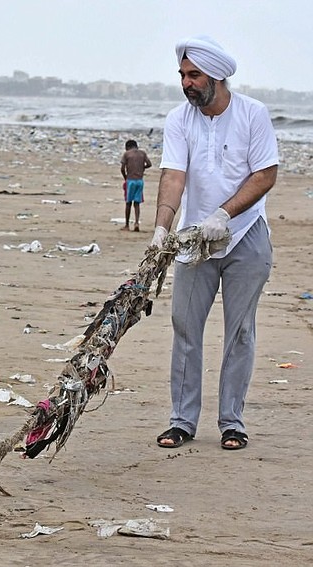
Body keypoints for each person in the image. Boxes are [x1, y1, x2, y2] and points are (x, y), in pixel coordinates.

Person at [151, 36, 279, 451]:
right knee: (185, 328)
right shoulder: (179, 119)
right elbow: (173, 176)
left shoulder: (252, 114)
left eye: (194, 75)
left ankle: (232, 423)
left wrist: (224, 215)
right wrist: (161, 229)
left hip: (246, 235)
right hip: (194, 240)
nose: (187, 83)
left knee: (240, 332)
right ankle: (182, 422)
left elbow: (264, 175)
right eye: (183, 76)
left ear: (217, 76)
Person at [119, 139, 152, 231]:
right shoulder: (142, 153)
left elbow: (122, 168)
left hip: (130, 180)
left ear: (127, 147)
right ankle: (136, 223)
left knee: (128, 203)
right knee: (137, 203)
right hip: (140, 181)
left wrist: (125, 177)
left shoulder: (127, 154)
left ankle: (127, 225)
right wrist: (142, 168)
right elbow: (149, 164)